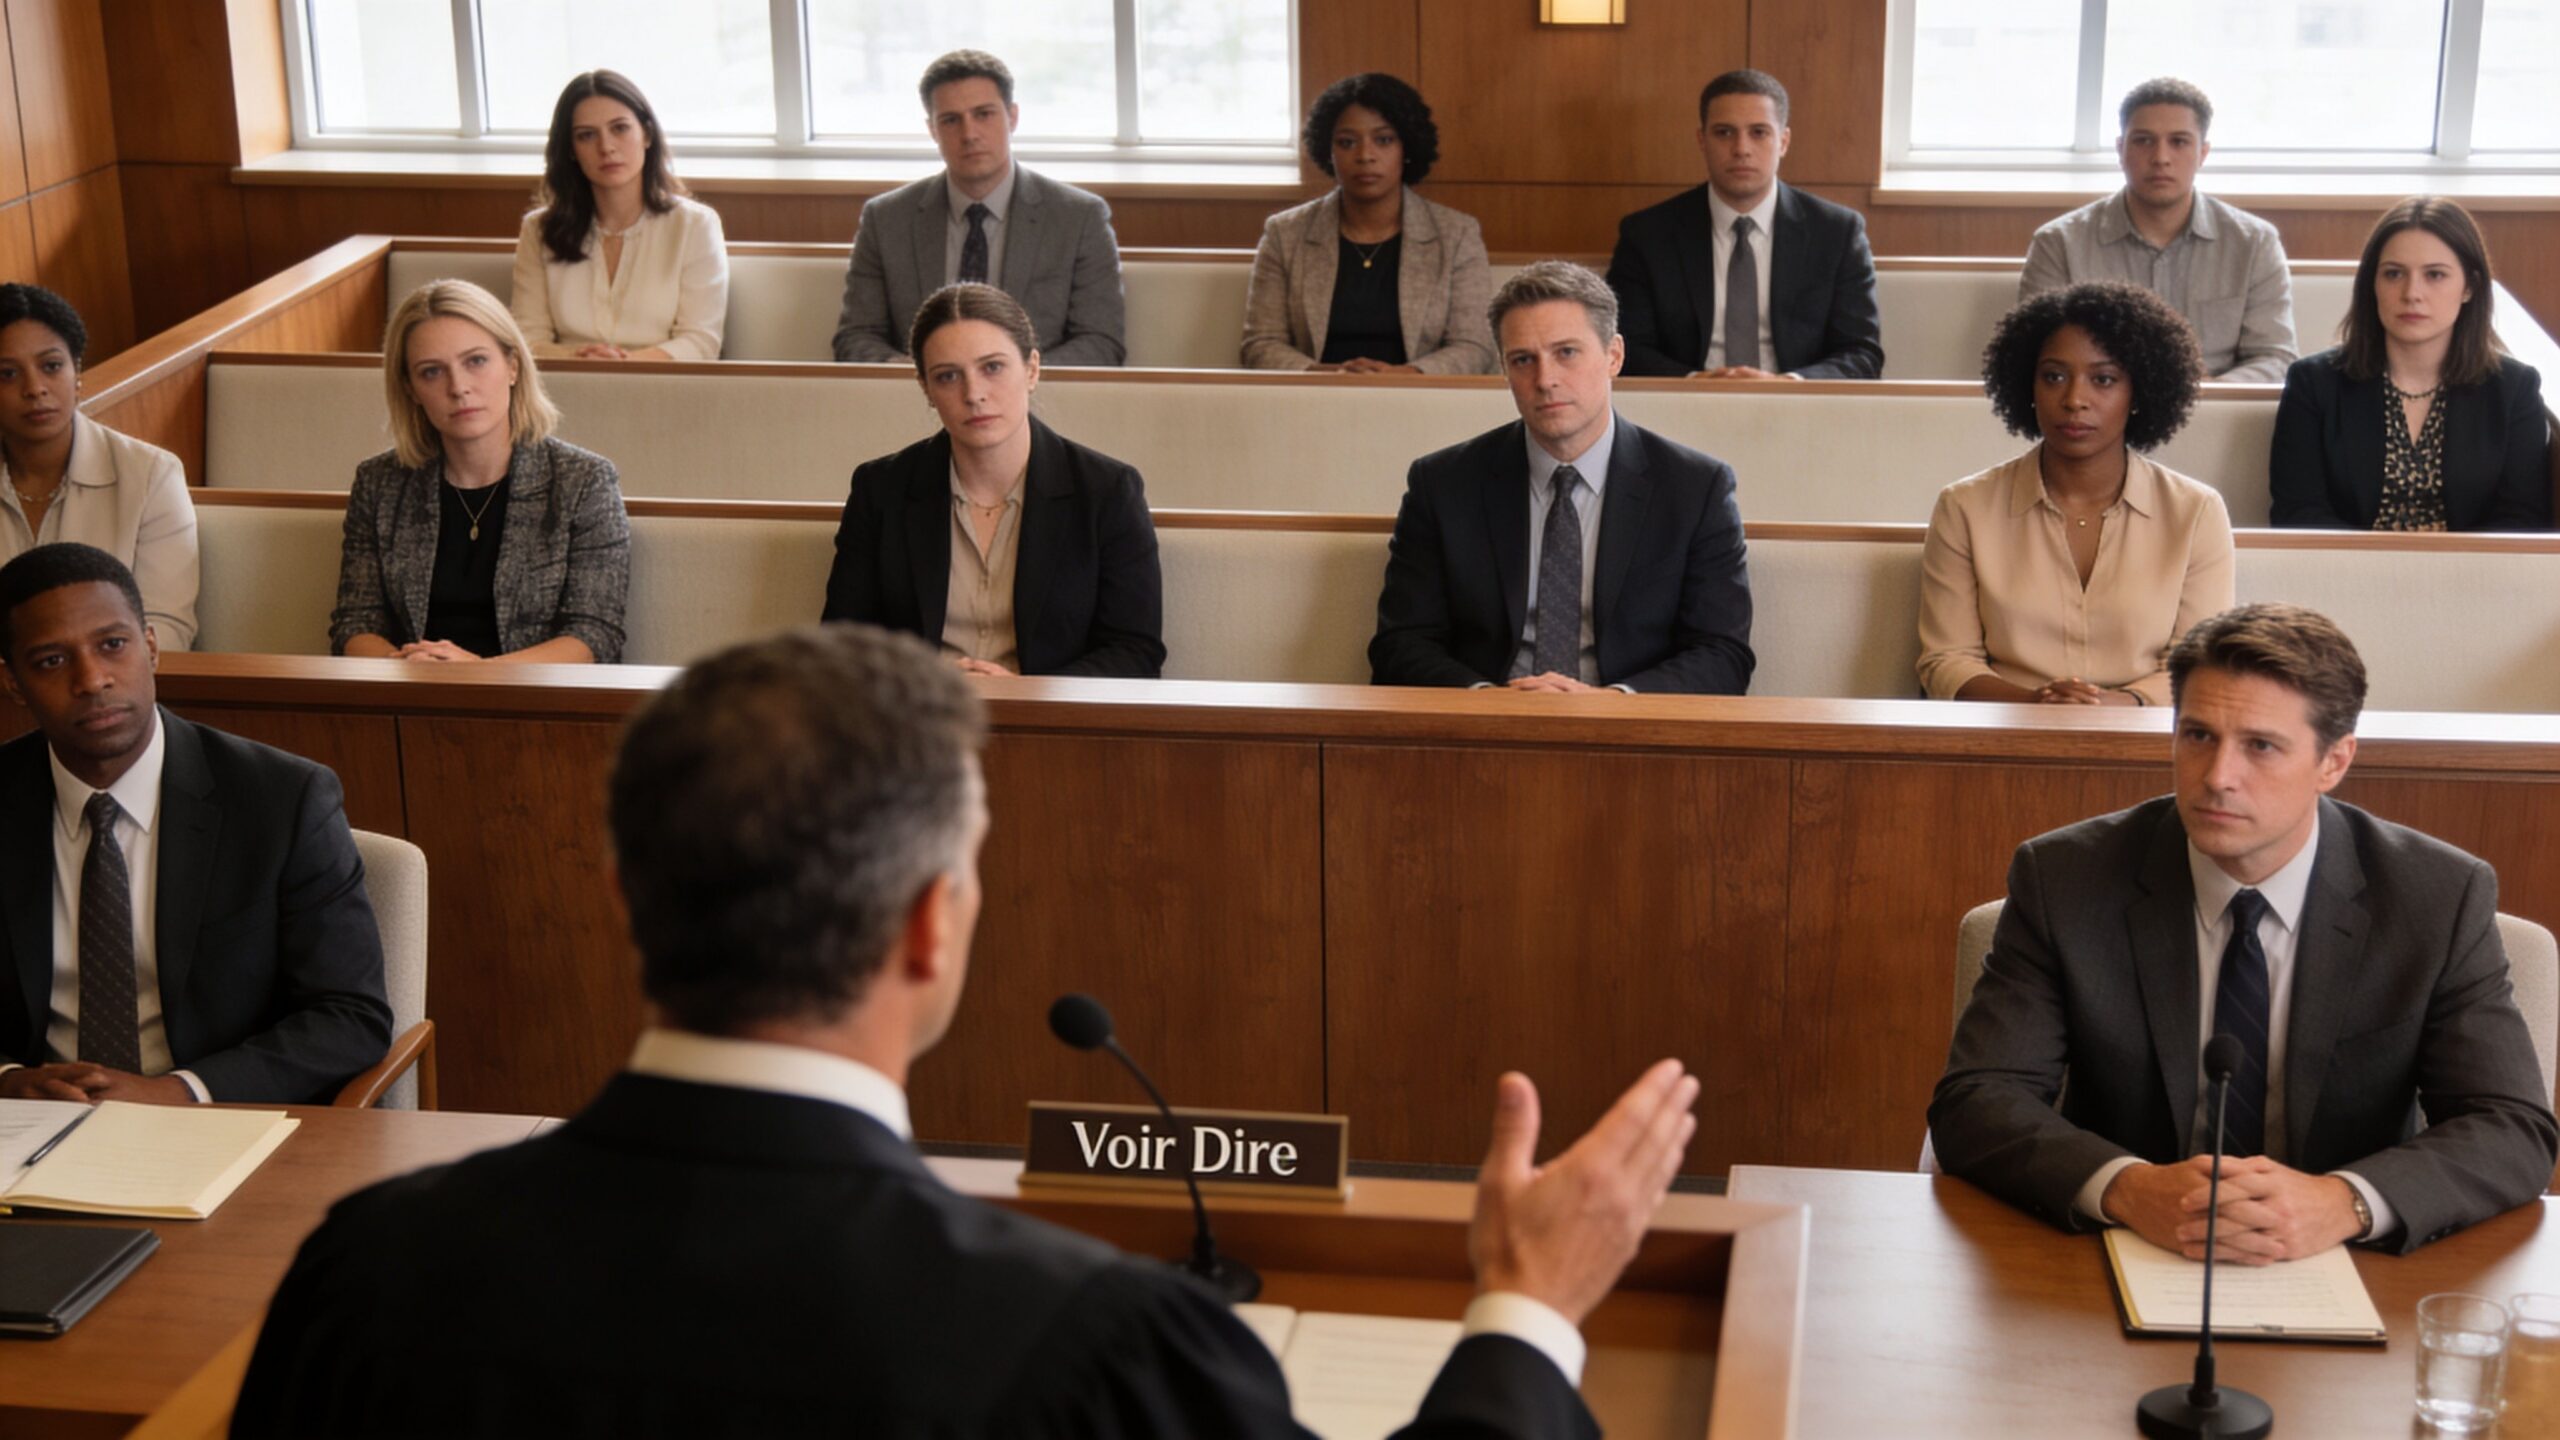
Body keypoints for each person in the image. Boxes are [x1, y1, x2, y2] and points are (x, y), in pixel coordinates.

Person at [230, 621, 1699, 1437]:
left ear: (626, 897)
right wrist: (1529, 1304)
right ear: (935, 925)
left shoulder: (370, 1273)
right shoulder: (1101, 1349)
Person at [1930, 603, 2559, 1260]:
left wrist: (2344, 1201)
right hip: (2122, 1253)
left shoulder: (2435, 898)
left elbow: (2511, 1129)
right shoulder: (2067, 879)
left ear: (2334, 762)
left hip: (2348, 1265)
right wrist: (2127, 1187)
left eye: (2260, 745)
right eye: (2198, 736)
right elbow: (1978, 1100)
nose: (2218, 777)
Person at [0, 544, 391, 1105]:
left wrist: (181, 1093)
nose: (92, 679)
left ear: (152, 648)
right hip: (28, 1136)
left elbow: (350, 1016)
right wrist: (9, 1079)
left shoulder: (282, 800)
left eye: (113, 645)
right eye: (52, 662)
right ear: (13, 683)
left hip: (217, 1125)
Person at [1370, 261, 1754, 693]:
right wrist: (1488, 702)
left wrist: (1612, 703)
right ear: (1504, 370)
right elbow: (1400, 645)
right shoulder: (1442, 484)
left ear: (1614, 356)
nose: (1545, 380)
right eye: (1522, 360)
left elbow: (1722, 655)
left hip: (1630, 733)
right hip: (1485, 729)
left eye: (1566, 353)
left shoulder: (1695, 488)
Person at [1918, 281, 2233, 707]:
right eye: (2054, 377)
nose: (2074, 399)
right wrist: (2036, 705)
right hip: (2005, 734)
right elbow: (1946, 660)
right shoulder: (1964, 507)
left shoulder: (2196, 511)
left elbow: (2197, 663)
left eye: (2103, 379)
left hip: (2146, 740)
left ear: (2138, 391)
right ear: (2027, 387)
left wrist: (2113, 707)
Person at [822, 284, 1162, 678]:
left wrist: (1025, 694)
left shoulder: (1108, 490)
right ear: (926, 389)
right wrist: (928, 689)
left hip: (1049, 724)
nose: (974, 393)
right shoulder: (880, 489)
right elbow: (842, 645)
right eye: (948, 376)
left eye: (993, 368)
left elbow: (1135, 652)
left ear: (1032, 369)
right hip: (916, 721)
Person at [332, 280, 631, 664]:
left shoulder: (584, 481)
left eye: (476, 361)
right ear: (409, 389)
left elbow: (594, 635)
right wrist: (405, 668)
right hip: (410, 698)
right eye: (431, 372)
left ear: (512, 365)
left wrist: (477, 676)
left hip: (534, 705)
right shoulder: (379, 483)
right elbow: (354, 623)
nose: (459, 387)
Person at [2268, 196, 2551, 533]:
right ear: (2372, 284)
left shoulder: (2514, 389)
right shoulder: (2312, 383)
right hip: (2343, 577)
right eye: (2393, 274)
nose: (2412, 293)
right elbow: (2298, 514)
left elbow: (2521, 522)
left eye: (2435, 275)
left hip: (2473, 579)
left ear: (2470, 287)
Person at [833, 50, 1125, 367]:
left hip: (1034, 406)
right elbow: (855, 338)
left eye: (983, 114)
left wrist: (1012, 379)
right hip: (919, 404)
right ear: (932, 129)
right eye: (951, 120)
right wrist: (914, 374)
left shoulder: (1079, 218)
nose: (969, 134)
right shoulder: (886, 219)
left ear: (1012, 117)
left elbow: (1102, 344)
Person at [1605, 69, 1882, 380]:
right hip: (1685, 406)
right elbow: (1625, 348)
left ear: (1784, 142)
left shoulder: (1837, 233)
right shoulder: (1647, 235)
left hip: (1799, 407)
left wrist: (1790, 386)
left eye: (1759, 132)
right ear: (1702, 140)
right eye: (1724, 132)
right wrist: (1695, 383)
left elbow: (1862, 354)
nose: (1741, 149)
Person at [2021, 79, 2297, 383]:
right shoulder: (2058, 243)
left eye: (2178, 142)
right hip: (2094, 418)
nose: (2161, 158)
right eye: (2143, 141)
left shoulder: (2255, 243)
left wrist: (2203, 395)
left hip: (2212, 416)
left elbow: (2276, 358)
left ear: (2203, 152)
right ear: (2120, 149)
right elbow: (2037, 356)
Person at [1240, 73, 1494, 375]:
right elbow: (1260, 344)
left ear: (1407, 148)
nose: (1365, 156)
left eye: (1383, 140)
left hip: (1419, 403)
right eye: (1347, 142)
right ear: (1328, 151)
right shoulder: (1285, 234)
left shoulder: (1456, 235)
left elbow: (1474, 347)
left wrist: (1402, 377)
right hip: (1313, 400)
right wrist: (1328, 376)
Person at [0, 284, 197, 649]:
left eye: (51, 366)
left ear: (76, 372)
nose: (35, 388)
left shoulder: (151, 475)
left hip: (107, 689)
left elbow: (167, 627)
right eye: (8, 374)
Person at [510, 69, 729, 363]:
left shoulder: (695, 225)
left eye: (620, 128)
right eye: (586, 135)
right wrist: (579, 359)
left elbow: (701, 343)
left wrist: (623, 366)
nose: (606, 147)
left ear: (647, 135)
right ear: (571, 150)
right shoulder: (538, 229)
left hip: (665, 388)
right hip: (565, 387)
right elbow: (526, 340)